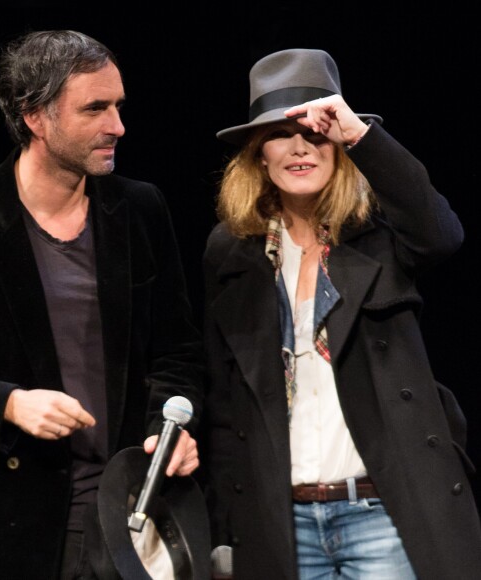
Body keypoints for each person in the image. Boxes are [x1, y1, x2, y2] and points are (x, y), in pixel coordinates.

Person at [0, 29, 205, 580]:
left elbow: (176, 350)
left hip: (124, 517)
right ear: (35, 116)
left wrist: (172, 425)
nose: (118, 126)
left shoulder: (139, 210)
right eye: (95, 108)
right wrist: (8, 404)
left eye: (118, 106)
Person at [200, 48, 481, 579]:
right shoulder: (232, 252)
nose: (300, 147)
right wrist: (225, 530)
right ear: (259, 155)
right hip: (283, 522)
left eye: (317, 131)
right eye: (281, 134)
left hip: (381, 513)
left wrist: (359, 134)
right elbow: (223, 400)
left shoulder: (379, 233)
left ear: (340, 145)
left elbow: (442, 235)